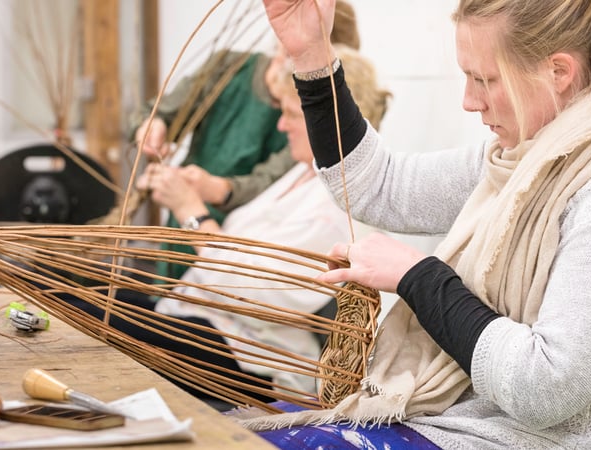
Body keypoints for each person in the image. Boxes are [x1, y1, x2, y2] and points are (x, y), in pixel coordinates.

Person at [242, 0, 591, 448]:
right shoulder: (527, 158)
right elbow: (378, 186)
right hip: (455, 425)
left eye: (484, 79)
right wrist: (311, 55)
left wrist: (416, 278)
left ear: (558, 72)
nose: (469, 101)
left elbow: (545, 388)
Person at [75, 45, 388, 403]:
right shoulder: (303, 176)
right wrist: (204, 188)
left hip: (255, 355)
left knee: (88, 315)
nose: (281, 126)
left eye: (288, 114)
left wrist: (192, 212)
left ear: (322, 119)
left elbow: (254, 291)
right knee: (79, 298)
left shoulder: (336, 204)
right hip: (207, 318)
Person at [132, 0, 362, 281]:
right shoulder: (229, 68)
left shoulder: (315, 120)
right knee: (173, 303)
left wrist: (210, 192)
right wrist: (154, 125)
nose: (282, 122)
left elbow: (268, 185)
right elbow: (162, 111)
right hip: (189, 229)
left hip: (237, 248)